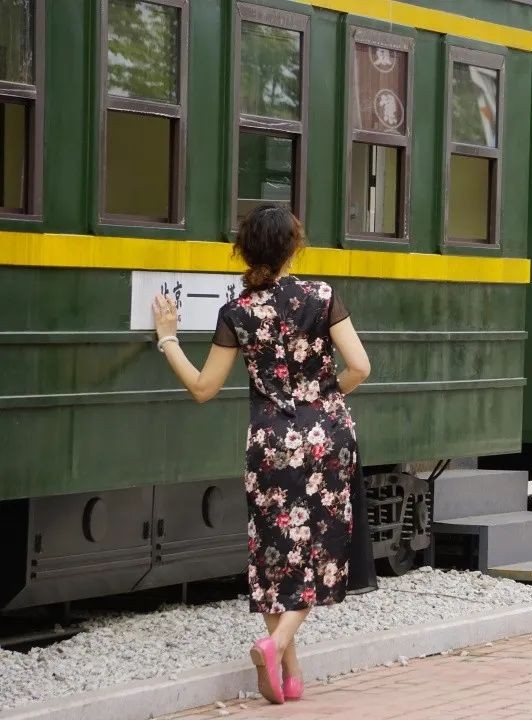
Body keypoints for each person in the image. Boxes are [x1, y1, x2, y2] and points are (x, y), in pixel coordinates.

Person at [151, 205, 375, 703]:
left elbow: (204, 388)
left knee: (276, 551)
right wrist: (320, 400)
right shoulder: (321, 296)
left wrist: (167, 338)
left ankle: (287, 671)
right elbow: (359, 366)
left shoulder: (238, 312)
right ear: (294, 247)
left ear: (246, 252)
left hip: (270, 442)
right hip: (328, 437)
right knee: (323, 547)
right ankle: (275, 648)